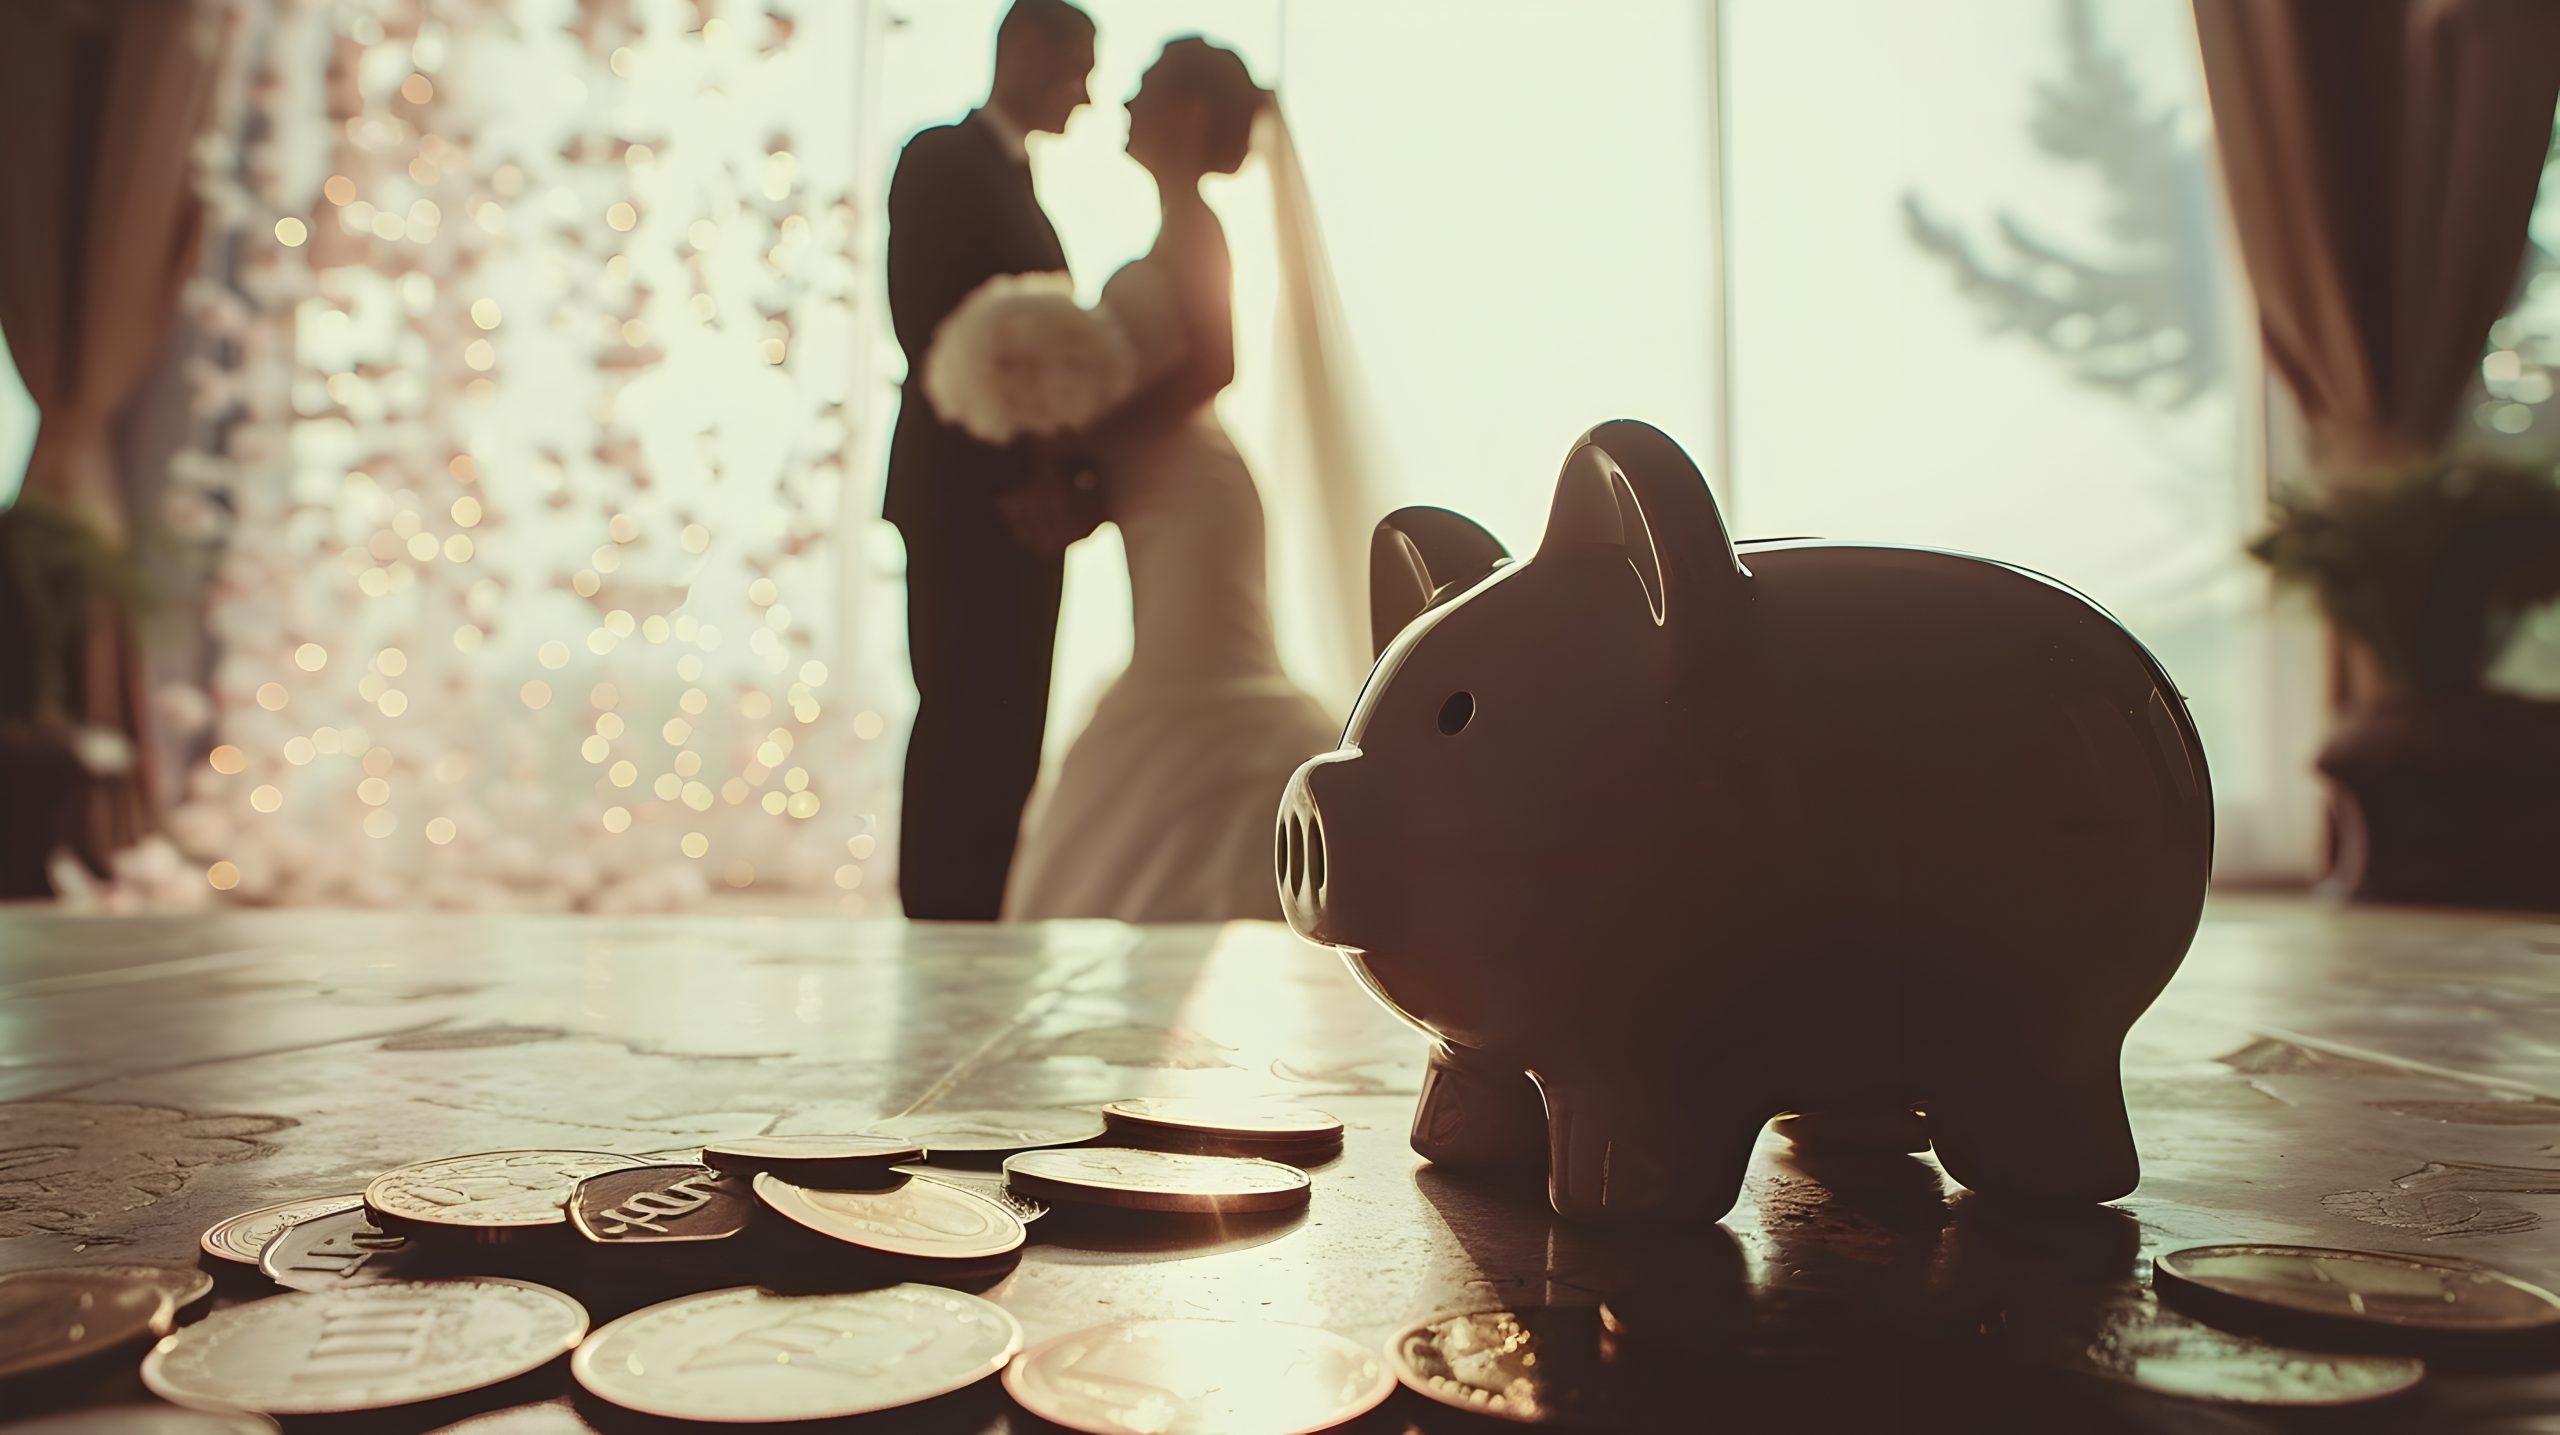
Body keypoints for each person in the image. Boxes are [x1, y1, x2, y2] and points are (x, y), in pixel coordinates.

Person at [1004, 37, 1380, 922]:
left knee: (1199, 685)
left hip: (1196, 499)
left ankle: (1241, 893)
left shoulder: (1196, 228)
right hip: (1160, 499)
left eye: (1142, 91)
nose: (1123, 106)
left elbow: (1214, 362)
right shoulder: (1175, 230)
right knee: (1183, 674)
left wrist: (1084, 438)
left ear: (1187, 117)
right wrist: (1087, 478)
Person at [882, 0, 1099, 920]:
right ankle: (935, 921)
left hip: (1029, 511)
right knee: (959, 713)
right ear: (1028, 48)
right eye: (1079, 68)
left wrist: (1068, 480)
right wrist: (1021, 475)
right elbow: (932, 331)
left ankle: (981, 916)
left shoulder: (1019, 186)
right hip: (963, 500)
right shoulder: (940, 159)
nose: (1087, 97)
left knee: (1012, 727)